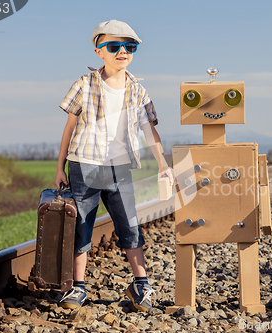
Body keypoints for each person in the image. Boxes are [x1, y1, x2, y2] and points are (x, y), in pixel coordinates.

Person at [54, 19, 173, 311]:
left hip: (120, 168)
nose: (123, 51)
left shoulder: (138, 91)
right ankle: (77, 287)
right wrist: (59, 168)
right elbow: (69, 128)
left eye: (129, 46)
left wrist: (163, 165)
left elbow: (150, 133)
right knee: (82, 226)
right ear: (99, 51)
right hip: (84, 165)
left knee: (130, 225)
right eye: (114, 46)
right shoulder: (84, 84)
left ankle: (141, 285)